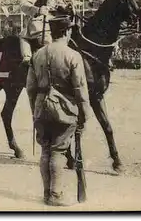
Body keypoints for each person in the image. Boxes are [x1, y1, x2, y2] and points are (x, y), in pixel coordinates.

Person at [26, 16, 92, 206]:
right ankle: (55, 195)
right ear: (67, 32)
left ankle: (47, 193)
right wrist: (85, 114)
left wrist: (35, 110)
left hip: (41, 107)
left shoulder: (37, 54)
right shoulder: (72, 55)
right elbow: (80, 89)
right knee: (58, 151)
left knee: (46, 151)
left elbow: (30, 87)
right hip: (64, 109)